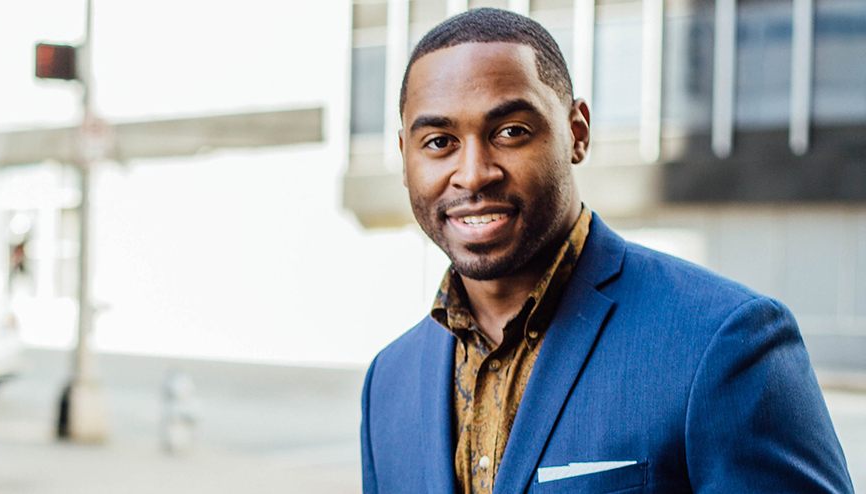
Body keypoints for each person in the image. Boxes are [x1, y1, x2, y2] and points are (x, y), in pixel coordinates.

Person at [359, 8, 853, 494]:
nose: (473, 172)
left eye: (510, 132)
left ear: (577, 132)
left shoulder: (723, 340)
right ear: (405, 157)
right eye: (440, 141)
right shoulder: (388, 383)